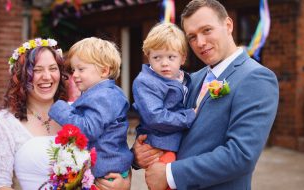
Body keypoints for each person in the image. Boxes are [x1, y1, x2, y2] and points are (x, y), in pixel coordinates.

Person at [133, 0, 279, 190]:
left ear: (228, 25)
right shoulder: (192, 78)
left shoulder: (256, 78)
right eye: (192, 37)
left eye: (207, 30)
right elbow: (170, 122)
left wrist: (170, 174)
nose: (200, 43)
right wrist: (139, 152)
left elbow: (241, 155)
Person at [48, 37, 133, 187]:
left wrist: (60, 108)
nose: (74, 75)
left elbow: (89, 129)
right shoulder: (101, 93)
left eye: (81, 69)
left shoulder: (104, 96)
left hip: (106, 175)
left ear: (104, 70)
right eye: (73, 70)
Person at [0, 38, 69, 190]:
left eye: (53, 68)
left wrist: (124, 177)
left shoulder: (76, 112)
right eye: (37, 70)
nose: (47, 76)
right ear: (21, 76)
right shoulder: (5, 122)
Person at [132, 22, 196, 168]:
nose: (164, 63)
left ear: (183, 58)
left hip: (177, 142)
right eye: (157, 58)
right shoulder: (146, 82)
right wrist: (189, 116)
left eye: (171, 57)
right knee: (164, 177)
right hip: (159, 144)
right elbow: (155, 117)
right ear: (148, 57)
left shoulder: (185, 78)